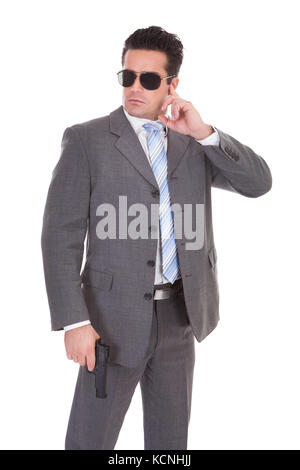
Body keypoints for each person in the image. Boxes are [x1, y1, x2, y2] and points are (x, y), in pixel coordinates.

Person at [41, 25, 272, 450]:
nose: (135, 87)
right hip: (110, 322)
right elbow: (59, 237)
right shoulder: (87, 140)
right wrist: (74, 321)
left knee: (169, 446)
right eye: (127, 76)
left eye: (149, 79)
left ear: (172, 84)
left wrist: (204, 133)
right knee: (89, 441)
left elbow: (258, 183)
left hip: (181, 319)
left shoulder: (192, 141)